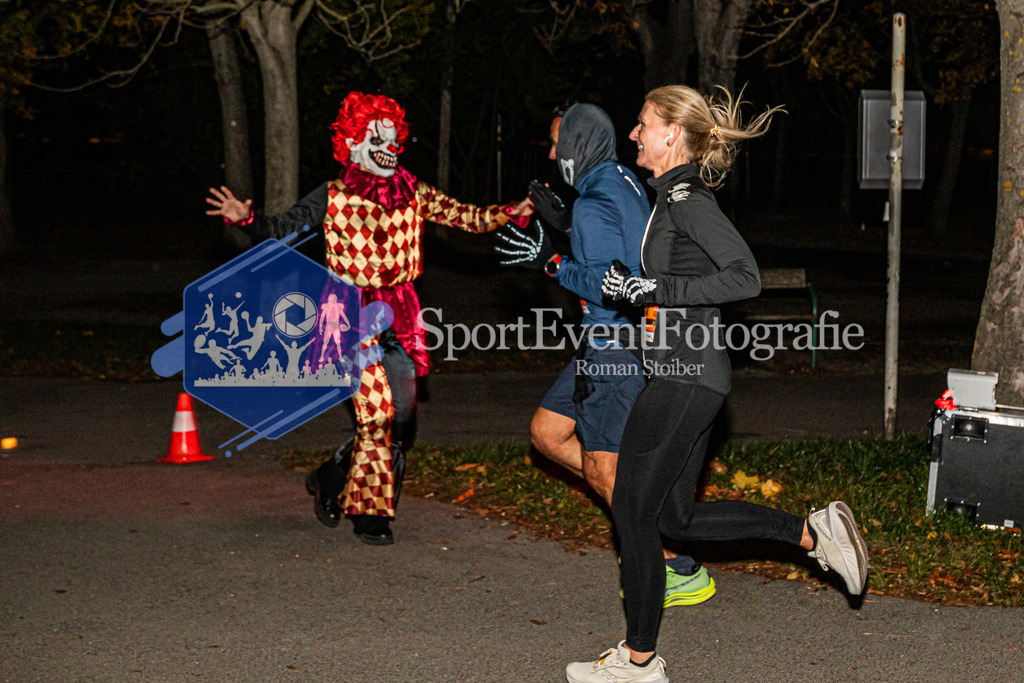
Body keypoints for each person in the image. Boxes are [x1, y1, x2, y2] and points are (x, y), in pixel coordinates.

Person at [565, 85, 869, 683]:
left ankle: (638, 661)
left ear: (672, 132)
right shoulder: (669, 196)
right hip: (687, 373)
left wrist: (655, 292)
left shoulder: (686, 197)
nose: (635, 135)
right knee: (674, 519)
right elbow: (665, 272)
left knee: (632, 507)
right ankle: (814, 534)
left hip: (685, 374)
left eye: (643, 123)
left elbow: (745, 276)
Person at [206, 91, 521, 545]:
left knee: (400, 424)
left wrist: (515, 211)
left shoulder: (412, 191)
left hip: (402, 315)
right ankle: (371, 516)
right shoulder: (332, 196)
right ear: (353, 143)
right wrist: (246, 218)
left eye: (395, 139)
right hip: (349, 314)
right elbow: (280, 229)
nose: (390, 147)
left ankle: (330, 477)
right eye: (379, 137)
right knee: (376, 416)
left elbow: (466, 216)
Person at [497, 103, 715, 609]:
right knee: (547, 434)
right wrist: (568, 226)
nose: (553, 155)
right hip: (620, 342)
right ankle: (645, 514)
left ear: (576, 145)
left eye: (557, 144)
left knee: (602, 471)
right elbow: (623, 252)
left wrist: (549, 261)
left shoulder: (595, 199)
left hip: (611, 348)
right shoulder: (619, 179)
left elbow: (604, 286)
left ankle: (663, 560)